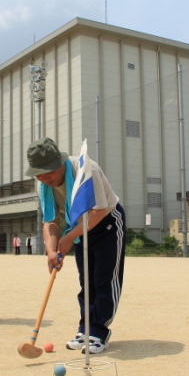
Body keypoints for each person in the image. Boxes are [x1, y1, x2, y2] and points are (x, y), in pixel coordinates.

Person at [26, 137, 125, 354]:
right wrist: (52, 250)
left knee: (104, 279)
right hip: (78, 227)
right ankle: (85, 329)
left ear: (59, 162)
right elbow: (51, 221)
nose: (44, 177)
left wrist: (69, 237)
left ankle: (99, 332)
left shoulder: (87, 170)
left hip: (107, 221)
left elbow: (98, 210)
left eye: (48, 171)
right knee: (86, 281)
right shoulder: (42, 182)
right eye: (39, 173)